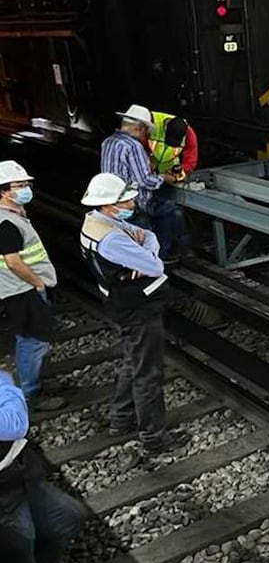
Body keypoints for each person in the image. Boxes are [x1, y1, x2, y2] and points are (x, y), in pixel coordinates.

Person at [79, 173, 189, 462]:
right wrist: (146, 256)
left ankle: (121, 418)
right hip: (137, 308)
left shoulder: (97, 223)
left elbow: (149, 238)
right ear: (108, 205)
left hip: (122, 303)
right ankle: (154, 439)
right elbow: (155, 265)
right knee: (148, 373)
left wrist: (144, 250)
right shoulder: (112, 238)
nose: (131, 203)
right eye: (125, 199)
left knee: (133, 359)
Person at [0, 367, 83, 563]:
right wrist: (6, 384)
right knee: (19, 548)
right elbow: (15, 423)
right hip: (4, 498)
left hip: (22, 475)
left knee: (66, 518)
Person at [0, 162, 63, 411]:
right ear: (3, 191)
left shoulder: (14, 216)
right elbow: (13, 261)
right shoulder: (6, 223)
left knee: (33, 339)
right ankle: (30, 393)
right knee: (32, 340)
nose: (26, 189)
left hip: (21, 288)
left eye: (27, 184)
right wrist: (38, 284)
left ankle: (32, 383)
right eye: (20, 185)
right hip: (21, 290)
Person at [101, 105, 177, 257]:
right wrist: (165, 178)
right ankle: (159, 256)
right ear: (140, 128)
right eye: (146, 132)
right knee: (168, 208)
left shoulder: (108, 141)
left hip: (111, 202)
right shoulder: (134, 146)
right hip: (131, 204)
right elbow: (145, 181)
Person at [143, 110, 198, 262]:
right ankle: (158, 250)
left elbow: (190, 159)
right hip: (148, 176)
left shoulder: (189, 133)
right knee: (154, 212)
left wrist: (180, 174)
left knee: (172, 211)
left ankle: (177, 247)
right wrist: (148, 171)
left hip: (167, 177)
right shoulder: (152, 124)